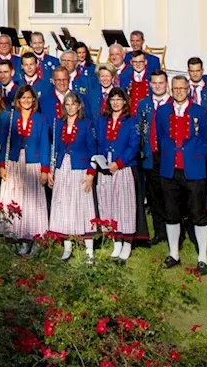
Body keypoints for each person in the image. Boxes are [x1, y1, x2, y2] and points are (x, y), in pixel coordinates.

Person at [154, 75, 207, 275]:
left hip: (193, 169)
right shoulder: (162, 111)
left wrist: (196, 156)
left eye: (182, 88)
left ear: (188, 89)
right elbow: (161, 136)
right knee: (171, 213)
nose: (179, 91)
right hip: (170, 169)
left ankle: (202, 257)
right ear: (171, 90)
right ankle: (174, 254)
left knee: (198, 213)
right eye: (175, 88)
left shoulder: (200, 111)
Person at [0, 86, 50, 254]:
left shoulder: (41, 119)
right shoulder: (10, 117)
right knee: (15, 198)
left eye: (29, 97)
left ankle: (34, 237)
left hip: (32, 163)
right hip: (14, 162)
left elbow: (44, 145)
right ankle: (18, 237)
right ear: (17, 101)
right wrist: (1, 165)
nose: (26, 101)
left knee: (32, 202)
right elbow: (3, 142)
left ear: (34, 100)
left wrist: (45, 169)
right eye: (23, 98)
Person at [47, 93, 98, 263]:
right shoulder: (59, 124)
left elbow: (93, 150)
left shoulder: (86, 124)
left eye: (73, 104)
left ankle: (89, 250)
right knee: (63, 204)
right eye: (67, 104)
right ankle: (67, 247)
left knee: (82, 205)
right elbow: (55, 149)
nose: (70, 107)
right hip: (63, 168)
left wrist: (91, 173)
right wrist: (51, 171)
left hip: (80, 168)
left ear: (79, 106)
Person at [94, 87, 141, 262]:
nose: (115, 102)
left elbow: (133, 145)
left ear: (124, 102)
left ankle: (127, 243)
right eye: (112, 99)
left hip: (123, 167)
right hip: (105, 167)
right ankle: (116, 242)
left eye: (119, 99)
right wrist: (100, 161)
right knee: (109, 203)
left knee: (124, 204)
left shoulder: (131, 121)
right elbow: (98, 141)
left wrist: (119, 163)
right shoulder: (102, 120)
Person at [134, 71, 171, 244]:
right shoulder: (144, 104)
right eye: (154, 83)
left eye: (161, 83)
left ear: (166, 84)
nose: (157, 86)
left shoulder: (173, 104)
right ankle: (159, 232)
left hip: (168, 156)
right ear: (149, 84)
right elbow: (140, 129)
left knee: (170, 194)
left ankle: (174, 230)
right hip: (150, 155)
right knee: (154, 195)